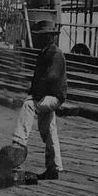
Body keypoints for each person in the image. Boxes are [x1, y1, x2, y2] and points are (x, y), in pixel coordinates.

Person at [11, 20, 67, 180]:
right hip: (46, 96)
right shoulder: (44, 53)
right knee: (49, 130)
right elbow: (37, 79)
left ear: (50, 37)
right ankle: (54, 167)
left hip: (54, 96)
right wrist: (33, 92)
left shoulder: (55, 54)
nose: (41, 39)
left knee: (29, 105)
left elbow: (50, 78)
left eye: (44, 36)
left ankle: (18, 143)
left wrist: (34, 96)